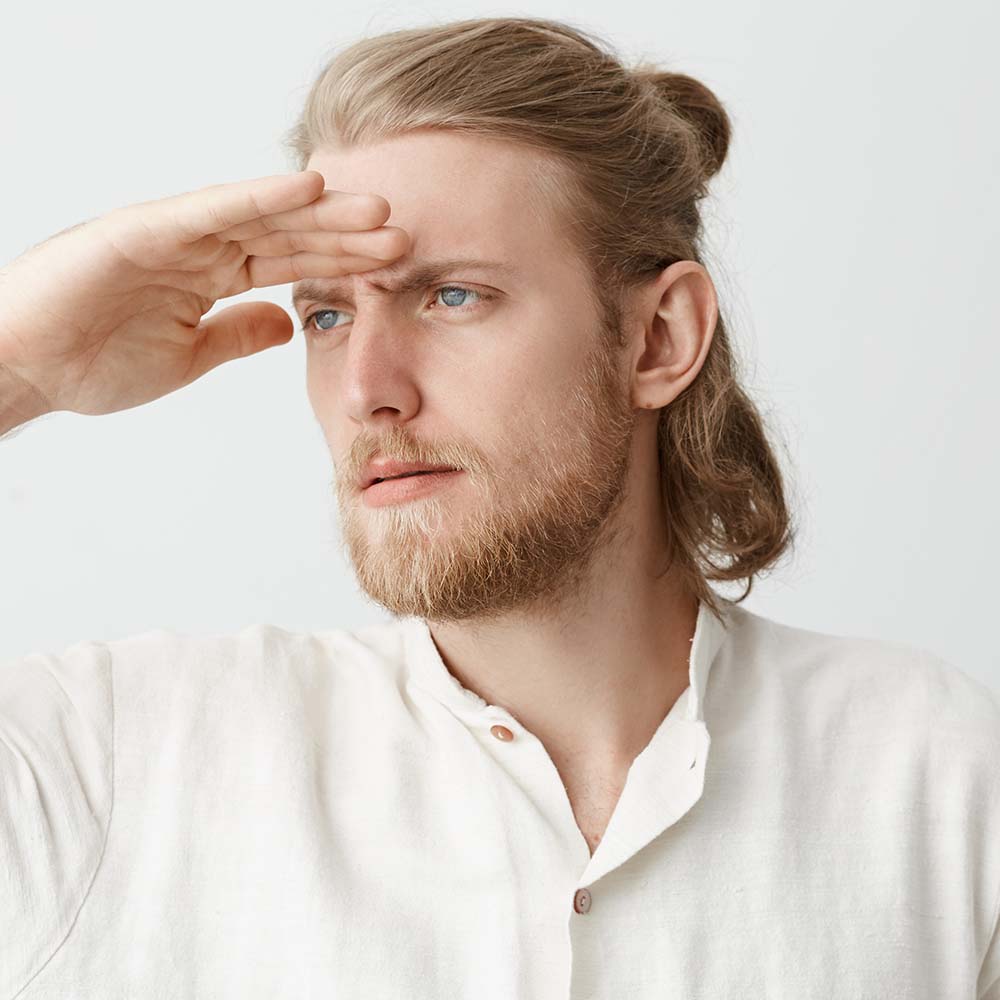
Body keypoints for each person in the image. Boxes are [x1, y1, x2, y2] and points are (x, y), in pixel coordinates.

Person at [1, 14, 997, 999]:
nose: (367, 390)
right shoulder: (118, 764)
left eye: (452, 297)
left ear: (658, 339)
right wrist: (19, 364)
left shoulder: (942, 777)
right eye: (329, 315)